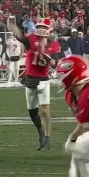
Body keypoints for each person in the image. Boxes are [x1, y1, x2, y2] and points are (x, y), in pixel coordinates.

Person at [8, 18, 60, 151]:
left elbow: (55, 65)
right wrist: (13, 24)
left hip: (44, 80)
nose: (41, 29)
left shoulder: (53, 44)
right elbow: (19, 36)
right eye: (40, 26)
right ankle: (41, 132)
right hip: (31, 79)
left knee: (45, 110)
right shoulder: (31, 38)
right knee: (32, 112)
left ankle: (47, 138)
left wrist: (44, 52)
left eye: (44, 27)